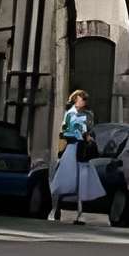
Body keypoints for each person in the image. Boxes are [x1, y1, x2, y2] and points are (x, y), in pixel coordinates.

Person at [50, 89, 100, 222]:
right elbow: (65, 133)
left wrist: (88, 137)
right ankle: (58, 208)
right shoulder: (70, 113)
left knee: (82, 182)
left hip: (82, 150)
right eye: (81, 99)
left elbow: (90, 130)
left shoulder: (88, 114)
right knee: (67, 179)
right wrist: (82, 135)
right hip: (73, 149)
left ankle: (79, 213)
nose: (83, 101)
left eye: (84, 99)